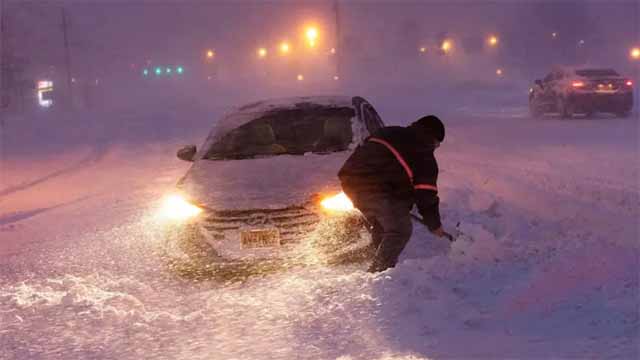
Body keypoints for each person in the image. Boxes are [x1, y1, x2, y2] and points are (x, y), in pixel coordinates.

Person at [338, 115, 452, 273]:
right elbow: (426, 195)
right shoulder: (423, 153)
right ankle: (378, 273)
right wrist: (434, 225)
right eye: (437, 144)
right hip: (375, 189)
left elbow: (385, 165)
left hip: (350, 182)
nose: (435, 147)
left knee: (383, 228)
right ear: (432, 138)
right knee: (400, 229)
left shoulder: (388, 132)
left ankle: (372, 263)